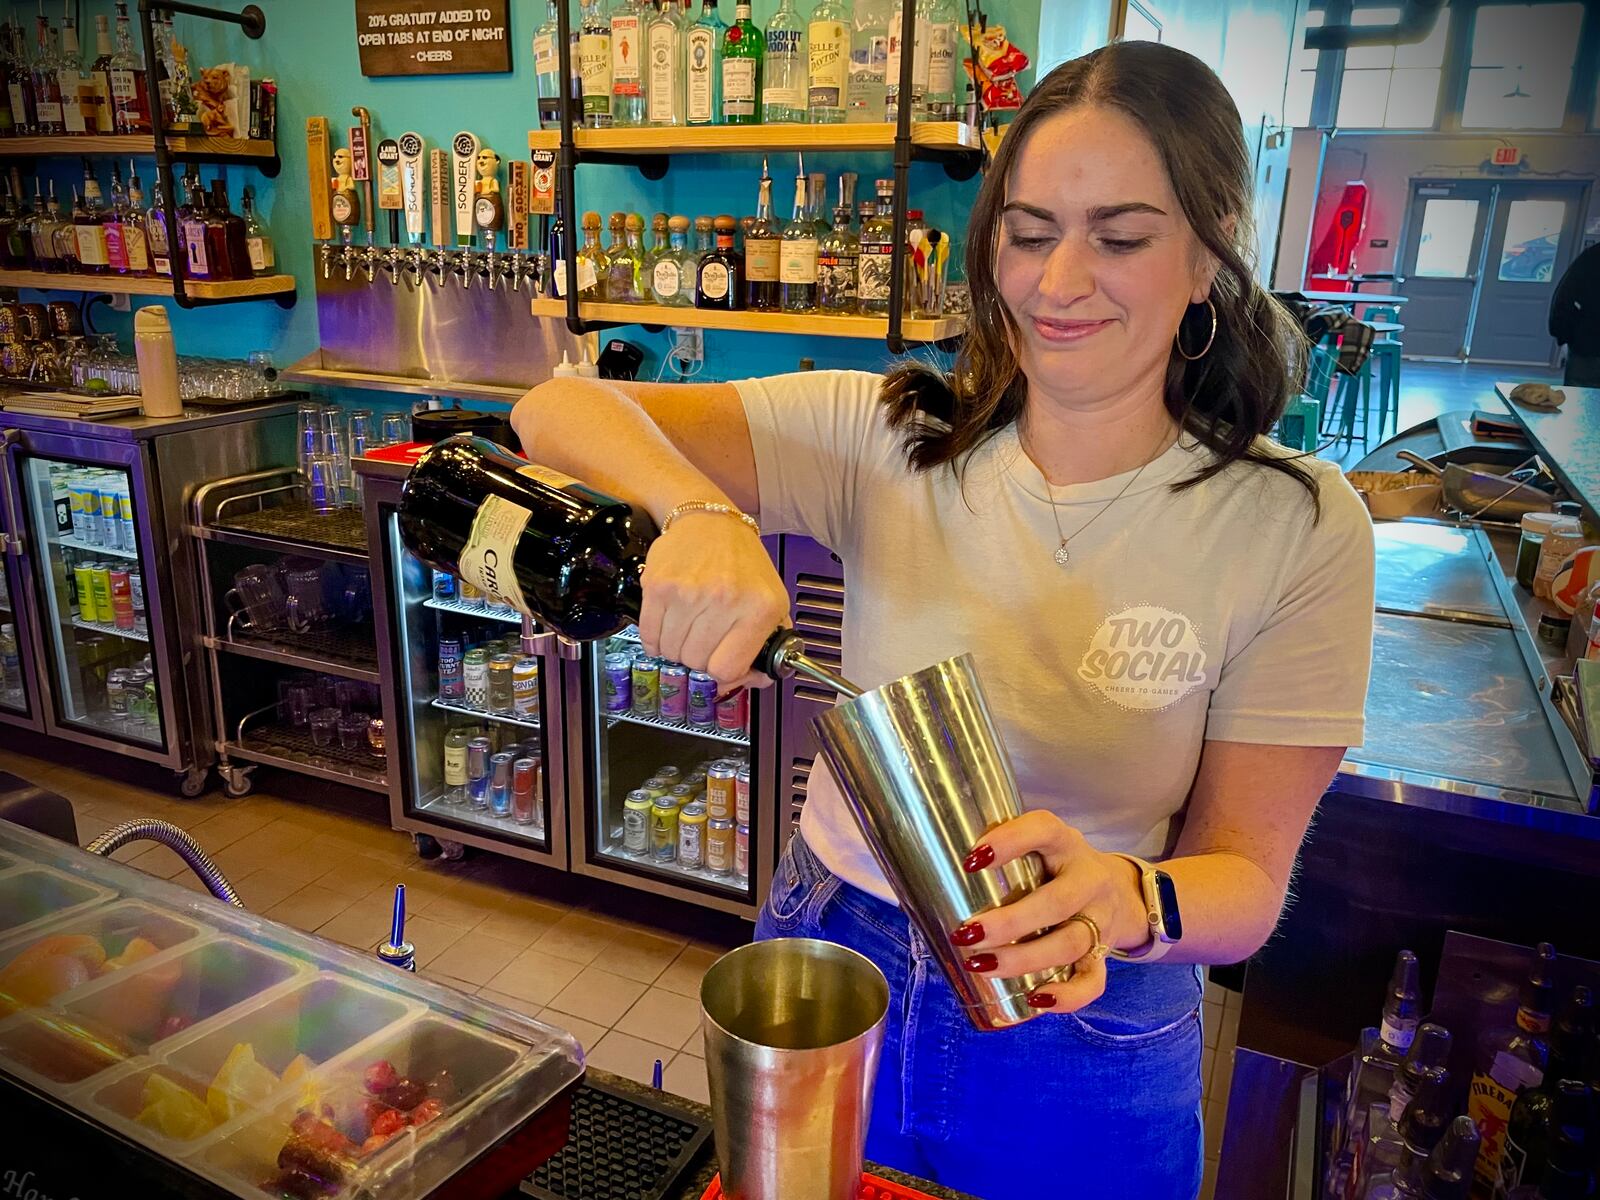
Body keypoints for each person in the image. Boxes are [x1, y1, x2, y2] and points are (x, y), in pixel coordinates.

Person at [512, 40, 1374, 1199]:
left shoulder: (1296, 525)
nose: (1056, 282)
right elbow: (554, 407)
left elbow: (1246, 883)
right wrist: (698, 511)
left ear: (1209, 256)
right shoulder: (884, 435)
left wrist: (1128, 896)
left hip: (1090, 1012)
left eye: (1119, 237)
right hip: (835, 956)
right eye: (1026, 233)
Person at [1549, 239, 1600, 387]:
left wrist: (1562, 335)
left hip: (1588, 347)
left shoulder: (1593, 256)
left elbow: (1565, 297)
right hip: (1588, 348)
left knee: (1579, 401)